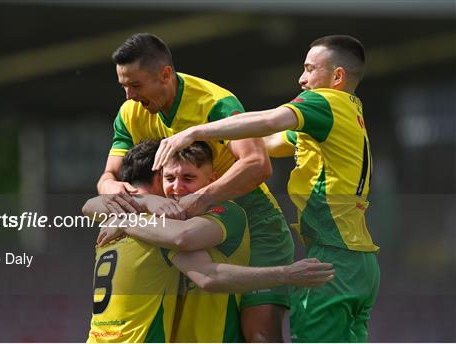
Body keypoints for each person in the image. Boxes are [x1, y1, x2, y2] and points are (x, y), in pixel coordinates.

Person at [152, 35, 381, 342]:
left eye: (310, 69)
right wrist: (225, 150)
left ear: (337, 76)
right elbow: (269, 143)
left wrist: (195, 131)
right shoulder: (346, 116)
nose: (302, 79)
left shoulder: (324, 101)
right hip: (362, 266)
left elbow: (269, 121)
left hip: (333, 258)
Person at [96, 33, 295, 341]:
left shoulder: (215, 103)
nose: (128, 96)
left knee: (259, 336)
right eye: (123, 85)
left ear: (165, 75)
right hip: (186, 221)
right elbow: (108, 179)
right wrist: (131, 204)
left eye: (135, 85)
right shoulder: (130, 113)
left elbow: (257, 163)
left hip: (253, 222)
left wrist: (196, 200)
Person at [86, 140, 334, 342]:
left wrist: (127, 220)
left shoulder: (227, 212)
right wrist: (144, 205)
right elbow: (204, 272)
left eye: (188, 178)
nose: (177, 187)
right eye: (169, 178)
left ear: (212, 179)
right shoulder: (157, 227)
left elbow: (186, 242)